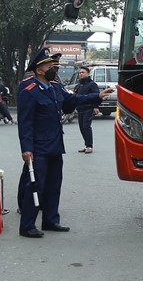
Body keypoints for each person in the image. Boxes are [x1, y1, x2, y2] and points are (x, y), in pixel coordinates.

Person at [17, 47, 113, 239]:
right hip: (38, 147)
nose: (54, 67)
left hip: (55, 144)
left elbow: (71, 100)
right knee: (35, 185)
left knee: (54, 184)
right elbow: (25, 122)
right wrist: (26, 148)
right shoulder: (29, 90)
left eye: (53, 64)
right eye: (49, 64)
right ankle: (27, 225)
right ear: (38, 69)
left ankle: (51, 220)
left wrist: (98, 96)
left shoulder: (55, 87)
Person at [74, 66, 100, 154]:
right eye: (80, 73)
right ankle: (86, 145)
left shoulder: (92, 84)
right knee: (81, 128)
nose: (81, 74)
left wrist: (96, 107)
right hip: (80, 108)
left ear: (87, 73)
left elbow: (97, 95)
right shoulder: (79, 85)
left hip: (89, 108)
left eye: (83, 72)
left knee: (86, 126)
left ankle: (89, 146)